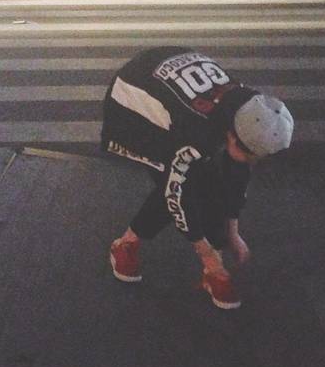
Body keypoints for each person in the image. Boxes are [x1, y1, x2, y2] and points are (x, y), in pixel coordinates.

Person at [101, 47, 294, 309]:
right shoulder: (195, 130)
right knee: (184, 182)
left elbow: (237, 174)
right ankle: (124, 245)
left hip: (168, 65)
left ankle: (207, 267)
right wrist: (209, 257)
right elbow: (177, 193)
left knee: (208, 176)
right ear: (232, 135)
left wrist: (233, 233)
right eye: (248, 154)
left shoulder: (252, 109)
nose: (251, 161)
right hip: (130, 108)